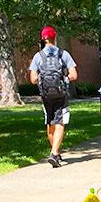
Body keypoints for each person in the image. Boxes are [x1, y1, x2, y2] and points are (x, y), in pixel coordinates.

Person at [29, 26, 78, 168]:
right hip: (61, 94)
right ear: (54, 37)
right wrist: (65, 78)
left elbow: (32, 79)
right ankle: (54, 153)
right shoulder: (64, 54)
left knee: (50, 123)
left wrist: (42, 79)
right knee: (60, 122)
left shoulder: (38, 56)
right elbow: (74, 75)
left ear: (43, 38)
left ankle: (55, 152)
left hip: (45, 95)